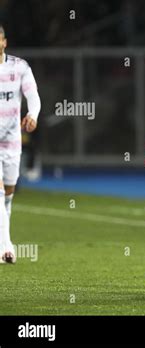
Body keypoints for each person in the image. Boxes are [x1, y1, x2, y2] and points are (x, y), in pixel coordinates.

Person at [0, 24, 41, 263]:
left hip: (12, 141)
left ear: (4, 42)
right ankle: (7, 245)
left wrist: (33, 115)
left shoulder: (19, 67)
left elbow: (33, 95)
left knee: (8, 194)